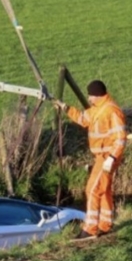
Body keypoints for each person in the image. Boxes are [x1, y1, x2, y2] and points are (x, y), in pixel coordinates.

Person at [54, 80, 127, 239]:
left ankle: (90, 230)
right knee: (104, 189)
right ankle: (105, 225)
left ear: (97, 95)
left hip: (107, 157)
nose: (89, 98)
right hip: (102, 157)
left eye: (90, 95)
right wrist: (65, 107)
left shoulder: (111, 111)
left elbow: (121, 138)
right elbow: (82, 119)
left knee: (92, 190)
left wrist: (112, 158)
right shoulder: (97, 109)